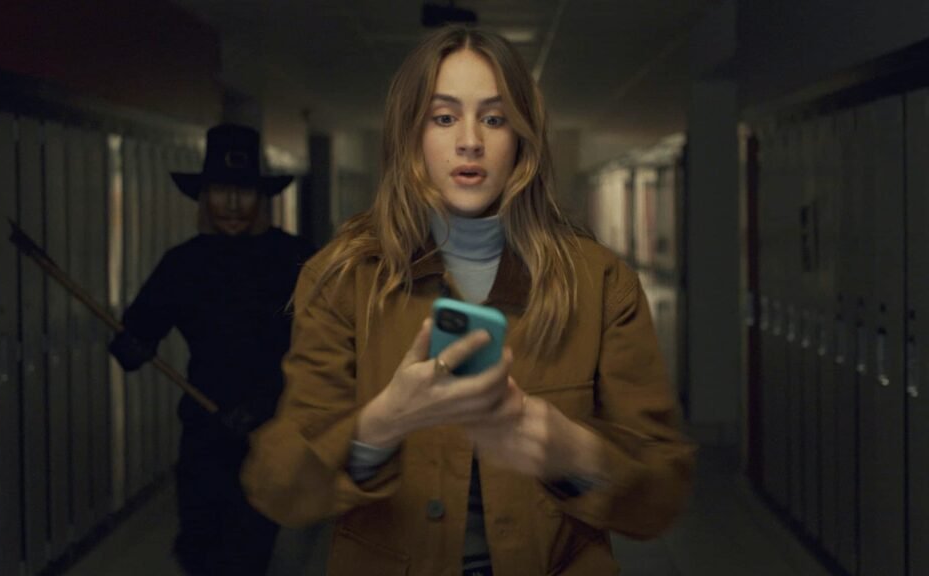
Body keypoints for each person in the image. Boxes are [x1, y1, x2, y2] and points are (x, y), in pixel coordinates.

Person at [243, 27, 695, 576]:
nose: (470, 141)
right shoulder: (343, 279)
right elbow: (279, 488)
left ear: (522, 136)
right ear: (410, 133)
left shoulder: (599, 283)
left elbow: (663, 493)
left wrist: (574, 453)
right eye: (443, 117)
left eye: (495, 118)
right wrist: (380, 424)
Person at [109, 124, 314, 575]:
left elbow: (327, 351)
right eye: (221, 191)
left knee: (247, 555)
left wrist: (266, 407)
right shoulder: (184, 264)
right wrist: (131, 344)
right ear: (204, 197)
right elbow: (134, 339)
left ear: (261, 196)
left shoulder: (297, 259)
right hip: (205, 433)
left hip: (273, 433)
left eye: (244, 191)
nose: (233, 204)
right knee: (200, 552)